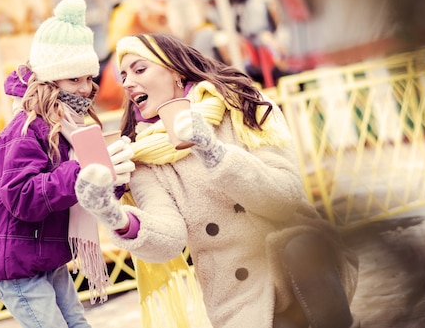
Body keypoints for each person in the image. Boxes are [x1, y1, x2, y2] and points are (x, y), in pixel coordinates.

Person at [73, 33, 360, 328]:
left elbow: (285, 197)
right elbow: (169, 240)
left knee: (301, 248)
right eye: (123, 75)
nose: (127, 82)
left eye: (139, 69)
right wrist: (112, 214)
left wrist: (213, 152)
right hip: (237, 292)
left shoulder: (243, 106)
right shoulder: (143, 156)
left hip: (297, 260)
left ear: (174, 70)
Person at [0, 0, 135, 328]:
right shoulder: (23, 131)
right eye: (74, 80)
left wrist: (110, 178)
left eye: (89, 79)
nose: (86, 88)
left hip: (44, 254)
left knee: (77, 323)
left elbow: (81, 192)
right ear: (50, 80)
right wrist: (84, 171)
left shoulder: (67, 127)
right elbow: (23, 197)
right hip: (17, 264)